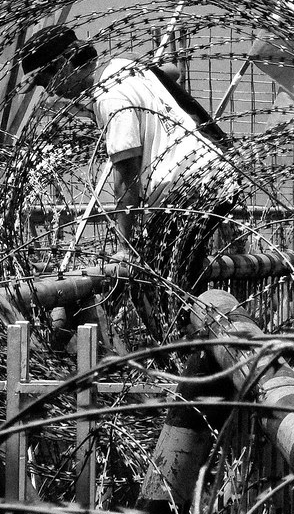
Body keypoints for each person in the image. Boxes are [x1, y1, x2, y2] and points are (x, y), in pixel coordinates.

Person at [21, 24, 242, 337]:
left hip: (187, 189)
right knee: (178, 282)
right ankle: (197, 348)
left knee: (166, 291)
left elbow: (127, 175)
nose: (50, 91)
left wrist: (125, 245)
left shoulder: (109, 97)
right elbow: (171, 71)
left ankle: (199, 358)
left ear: (61, 66)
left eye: (46, 81)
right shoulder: (122, 68)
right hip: (215, 176)